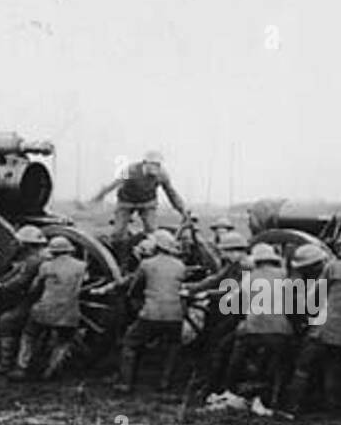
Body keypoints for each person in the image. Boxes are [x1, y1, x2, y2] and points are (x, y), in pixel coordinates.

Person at [284, 228, 341, 417]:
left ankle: (291, 408)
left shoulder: (335, 267)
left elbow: (314, 298)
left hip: (325, 329)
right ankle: (333, 409)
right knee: (334, 367)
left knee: (303, 366)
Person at [113, 230, 188, 393]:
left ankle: (125, 383)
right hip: (175, 315)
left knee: (129, 343)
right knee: (173, 347)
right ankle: (164, 383)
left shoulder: (147, 264)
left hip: (151, 314)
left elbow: (134, 288)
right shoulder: (180, 266)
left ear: (156, 246)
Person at [224, 242, 294, 410]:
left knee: (233, 355)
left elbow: (230, 302)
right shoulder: (286, 276)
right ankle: (278, 399)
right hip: (280, 331)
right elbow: (295, 304)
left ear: (257, 261)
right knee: (283, 363)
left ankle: (232, 390)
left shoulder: (250, 277)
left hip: (252, 330)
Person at [11, 235, 88, 381]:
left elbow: (33, 287)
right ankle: (52, 369)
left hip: (44, 309)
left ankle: (21, 367)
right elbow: (85, 281)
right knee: (64, 341)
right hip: (69, 312)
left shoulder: (46, 266)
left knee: (28, 335)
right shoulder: (81, 266)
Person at [186, 231, 250, 399]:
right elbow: (216, 279)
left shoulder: (246, 267)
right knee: (211, 341)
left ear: (236, 250)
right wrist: (192, 287)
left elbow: (233, 290)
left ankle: (214, 385)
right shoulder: (232, 265)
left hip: (240, 313)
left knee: (219, 346)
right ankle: (208, 381)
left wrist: (208, 294)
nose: (223, 255)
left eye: (225, 251)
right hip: (229, 309)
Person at [0, 225, 48, 375]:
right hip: (38, 298)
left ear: (24, 244)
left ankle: (3, 362)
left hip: (33, 301)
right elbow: (16, 274)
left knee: (5, 320)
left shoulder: (33, 260)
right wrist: (1, 284)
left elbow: (19, 280)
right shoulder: (41, 257)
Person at [86, 150, 188, 243]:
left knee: (152, 230)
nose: (155, 167)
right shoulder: (130, 170)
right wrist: (98, 197)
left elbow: (171, 193)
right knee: (118, 232)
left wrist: (182, 210)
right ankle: (120, 254)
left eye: (157, 165)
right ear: (145, 163)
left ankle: (149, 253)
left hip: (147, 203)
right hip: (126, 203)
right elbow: (114, 184)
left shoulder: (162, 174)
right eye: (152, 164)